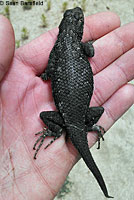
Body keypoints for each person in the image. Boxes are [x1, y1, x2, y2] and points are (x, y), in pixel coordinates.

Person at [0, 11, 134, 199]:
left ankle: (55, 132)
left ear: (62, 27)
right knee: (100, 110)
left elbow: (49, 71)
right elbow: (92, 52)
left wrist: (46, 75)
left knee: (45, 117)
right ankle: (88, 127)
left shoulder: (56, 48)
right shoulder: (80, 46)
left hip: (66, 117)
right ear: (79, 31)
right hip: (81, 116)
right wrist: (87, 45)